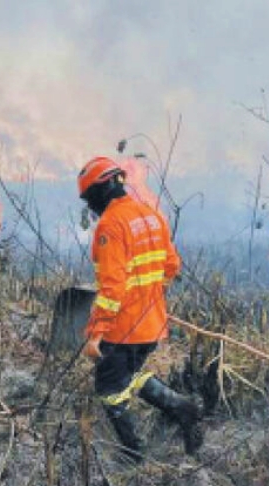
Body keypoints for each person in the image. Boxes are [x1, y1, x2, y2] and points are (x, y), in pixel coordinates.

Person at [78, 156, 203, 458]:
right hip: (151, 323)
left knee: (109, 390)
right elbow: (172, 265)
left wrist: (96, 333)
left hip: (124, 327)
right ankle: (183, 407)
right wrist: (148, 293)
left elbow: (112, 288)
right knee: (129, 374)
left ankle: (135, 454)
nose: (90, 206)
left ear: (101, 190)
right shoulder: (151, 215)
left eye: (89, 198)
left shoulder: (111, 224)